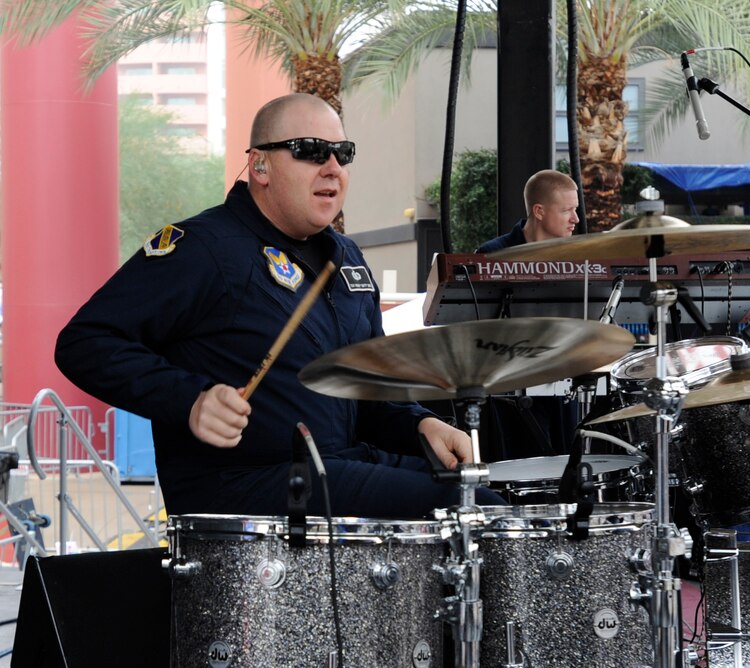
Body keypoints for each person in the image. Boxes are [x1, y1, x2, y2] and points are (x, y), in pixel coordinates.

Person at [55, 93, 504, 519]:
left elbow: (367, 390)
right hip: (243, 484)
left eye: (342, 152)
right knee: (475, 508)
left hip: (338, 466)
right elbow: (86, 342)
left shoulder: (346, 257)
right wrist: (189, 400)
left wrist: (419, 425)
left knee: (498, 497)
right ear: (260, 165)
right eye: (309, 150)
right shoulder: (204, 249)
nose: (332, 167)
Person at [475, 169, 579, 253]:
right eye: (566, 210)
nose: (576, 219)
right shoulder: (490, 254)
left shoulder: (578, 256)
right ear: (538, 211)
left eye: (575, 209)